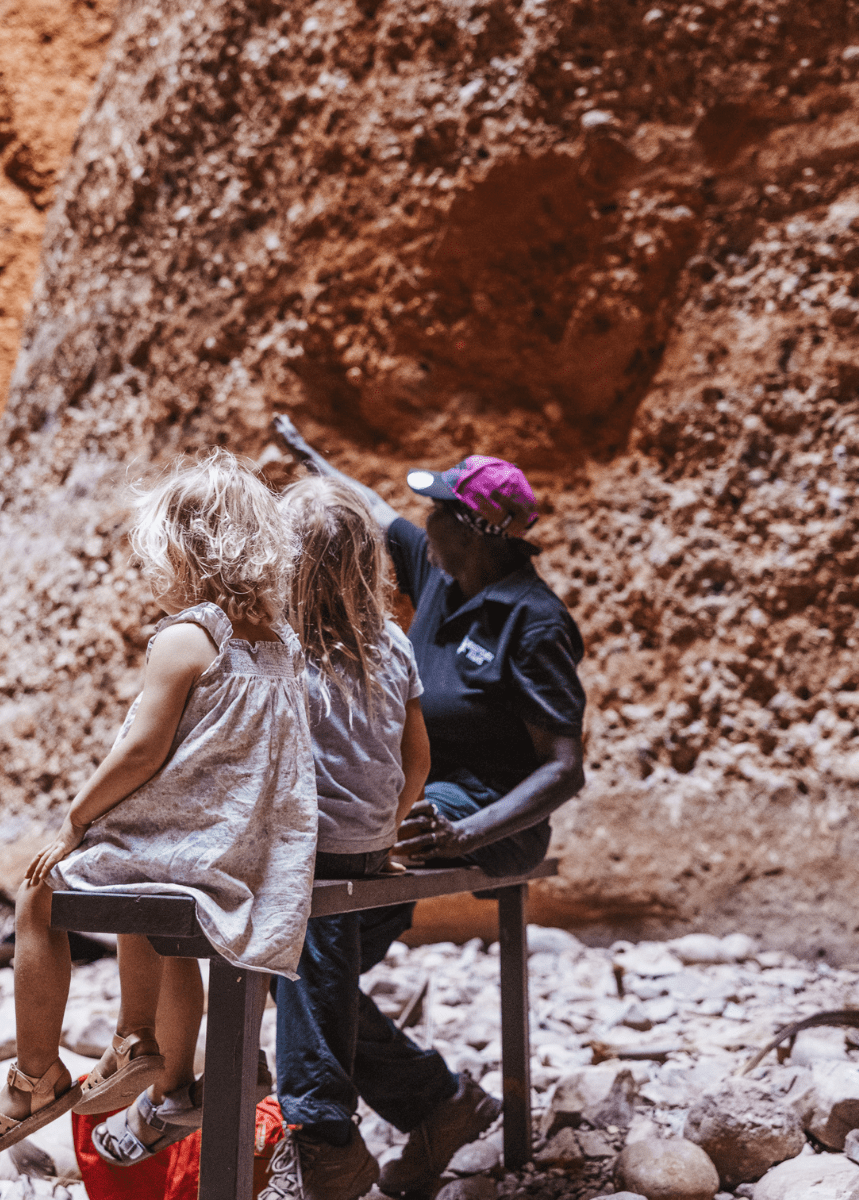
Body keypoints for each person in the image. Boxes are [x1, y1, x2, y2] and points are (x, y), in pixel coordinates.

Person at [267, 416, 586, 1200]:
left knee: (305, 939)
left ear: (473, 528)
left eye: (438, 509)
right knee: (302, 960)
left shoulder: (533, 621)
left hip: (480, 814)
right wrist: (308, 457)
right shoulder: (440, 573)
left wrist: (464, 832)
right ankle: (435, 1105)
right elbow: (371, 510)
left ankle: (330, 1135)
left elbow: (563, 768)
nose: (422, 521)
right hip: (413, 809)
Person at [0, 448, 317, 1163]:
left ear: (183, 548)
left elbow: (141, 753)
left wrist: (74, 820)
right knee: (154, 911)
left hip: (191, 847)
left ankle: (35, 1075)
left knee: (39, 892)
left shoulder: (189, 636)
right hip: (247, 854)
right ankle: (152, 1057)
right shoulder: (281, 644)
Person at [260, 476, 432, 1200]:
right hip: (371, 848)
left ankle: (322, 1133)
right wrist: (385, 827)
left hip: (312, 855)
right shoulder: (393, 641)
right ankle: (438, 1102)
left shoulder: (281, 649)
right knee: (316, 980)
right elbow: (417, 756)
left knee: (296, 956)